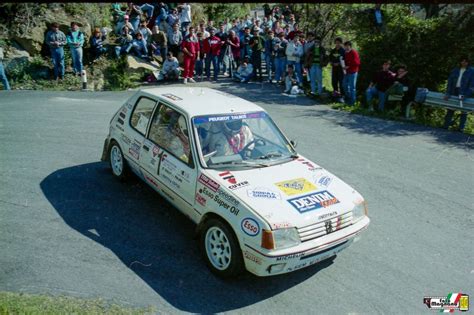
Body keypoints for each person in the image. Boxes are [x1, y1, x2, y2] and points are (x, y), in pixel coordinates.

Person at [443, 57, 474, 132]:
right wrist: (448, 93)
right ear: (460, 62)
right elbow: (450, 82)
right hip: (455, 90)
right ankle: (445, 126)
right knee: (450, 108)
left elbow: (472, 85)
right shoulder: (455, 70)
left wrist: (466, 95)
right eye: (462, 61)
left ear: (468, 62)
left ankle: (461, 128)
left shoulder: (472, 71)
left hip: (464, 92)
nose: (464, 63)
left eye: (465, 61)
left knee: (464, 110)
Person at [343, 41, 360, 106]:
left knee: (352, 87)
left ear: (350, 46)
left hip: (353, 72)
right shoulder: (346, 53)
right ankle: (348, 98)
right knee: (344, 85)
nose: (346, 47)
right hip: (347, 72)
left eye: (347, 46)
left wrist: (348, 65)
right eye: (345, 46)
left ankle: (352, 102)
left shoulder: (354, 52)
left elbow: (357, 63)